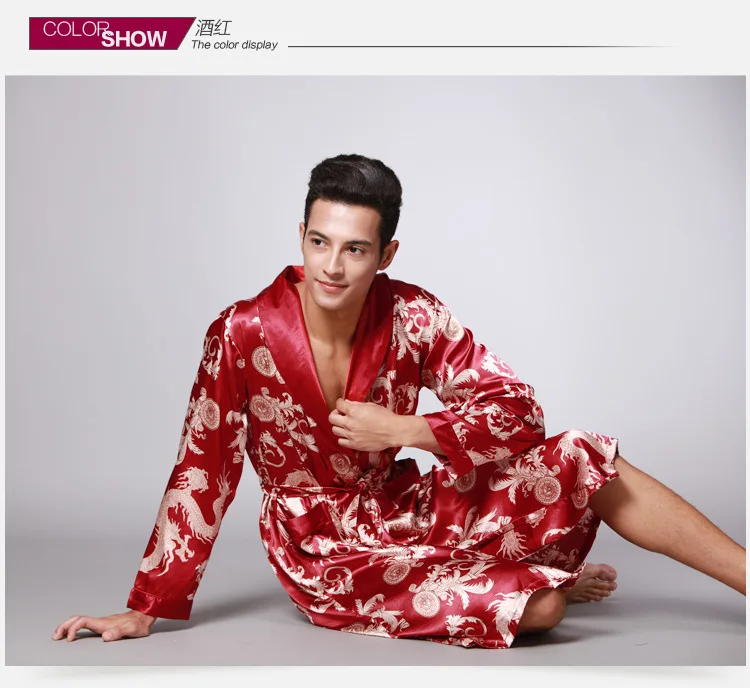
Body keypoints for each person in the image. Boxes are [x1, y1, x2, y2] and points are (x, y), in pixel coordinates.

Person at [52, 154, 746, 648]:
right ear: (301, 237)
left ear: (386, 254)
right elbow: (202, 469)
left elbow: (518, 413)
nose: (331, 266)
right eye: (319, 242)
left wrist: (408, 429)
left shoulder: (413, 314)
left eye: (356, 249)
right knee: (544, 612)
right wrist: (146, 607)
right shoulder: (241, 332)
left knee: (584, 454)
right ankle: (539, 578)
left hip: (406, 508)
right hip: (324, 552)